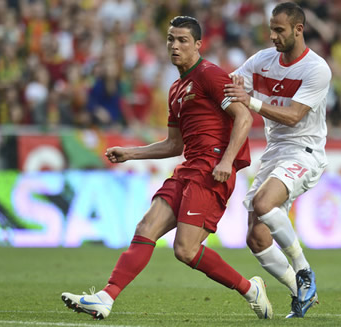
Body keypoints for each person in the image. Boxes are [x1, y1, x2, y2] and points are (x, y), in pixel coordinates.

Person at [61, 16, 273, 321]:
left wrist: (227, 161)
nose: (175, 45)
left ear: (198, 44)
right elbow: (174, 144)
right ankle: (105, 297)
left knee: (185, 250)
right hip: (188, 168)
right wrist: (131, 153)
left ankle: (250, 289)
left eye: (182, 40)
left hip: (212, 170)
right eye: (171, 39)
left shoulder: (211, 75)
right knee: (146, 228)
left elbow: (244, 117)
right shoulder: (176, 89)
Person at [223, 2, 331, 319]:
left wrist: (252, 102)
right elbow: (231, 83)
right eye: (271, 29)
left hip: (305, 150)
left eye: (279, 30)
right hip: (275, 152)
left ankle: (303, 270)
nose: (273, 36)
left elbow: (295, 117)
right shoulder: (262, 61)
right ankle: (301, 293)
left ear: (299, 29)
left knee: (264, 203)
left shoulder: (316, 68)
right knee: (255, 237)